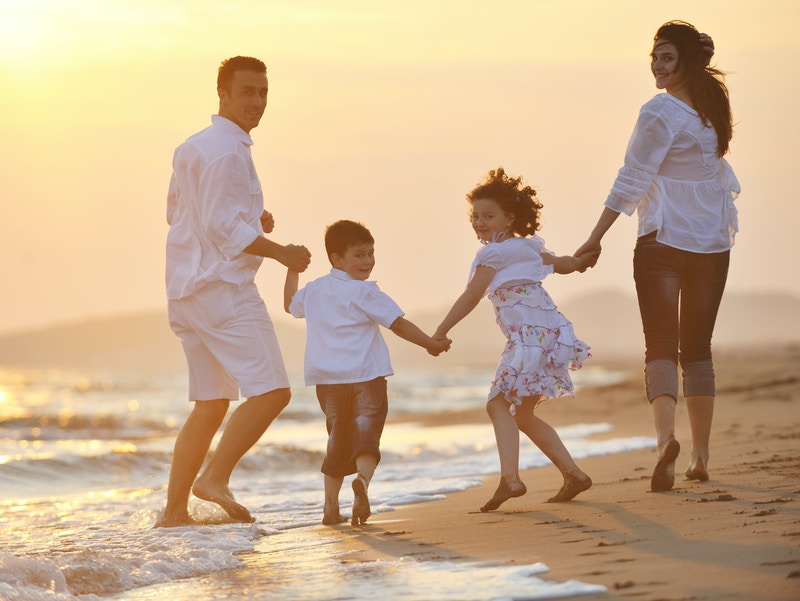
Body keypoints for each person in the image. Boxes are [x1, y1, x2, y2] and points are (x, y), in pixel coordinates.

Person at [575, 21, 739, 492]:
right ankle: (700, 456)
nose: (657, 65)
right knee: (698, 348)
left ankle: (667, 438)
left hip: (664, 239)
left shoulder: (660, 111)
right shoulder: (710, 110)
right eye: (654, 57)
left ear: (687, 60)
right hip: (711, 241)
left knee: (662, 345)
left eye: (667, 57)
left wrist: (595, 237)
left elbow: (632, 176)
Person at [158, 56, 312, 527]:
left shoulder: (193, 146)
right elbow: (222, 226)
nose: (257, 102)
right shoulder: (228, 152)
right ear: (222, 93)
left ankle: (174, 513)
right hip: (222, 290)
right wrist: (282, 251)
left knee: (211, 404)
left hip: (185, 292)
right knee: (272, 392)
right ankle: (215, 477)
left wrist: (251, 223)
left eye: (263, 93)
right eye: (247, 92)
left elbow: (180, 215)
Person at [433, 168, 598, 512]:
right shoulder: (529, 247)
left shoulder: (493, 255)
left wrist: (441, 330)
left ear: (509, 218)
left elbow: (472, 295)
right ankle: (573, 474)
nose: (479, 222)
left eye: (488, 216)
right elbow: (563, 263)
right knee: (521, 415)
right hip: (550, 334)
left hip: (527, 339)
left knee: (496, 405)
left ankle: (510, 479)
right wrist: (581, 262)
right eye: (475, 216)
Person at [284, 220, 451, 526]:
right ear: (337, 259)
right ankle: (362, 481)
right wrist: (430, 343)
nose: (368, 261)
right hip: (366, 376)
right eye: (359, 255)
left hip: (328, 382)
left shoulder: (315, 290)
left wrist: (292, 268)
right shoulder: (364, 292)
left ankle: (330, 508)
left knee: (336, 439)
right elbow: (397, 323)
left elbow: (289, 305)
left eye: (371, 253)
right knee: (366, 435)